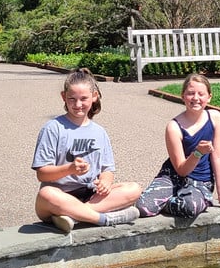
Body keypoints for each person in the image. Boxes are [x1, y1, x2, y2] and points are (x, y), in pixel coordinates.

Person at [32, 68, 141, 233]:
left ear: (94, 96)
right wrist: (70, 169)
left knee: (134, 189)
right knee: (46, 194)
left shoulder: (99, 132)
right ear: (63, 97)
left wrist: (105, 182)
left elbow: (108, 169)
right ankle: (102, 219)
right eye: (72, 99)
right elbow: (42, 174)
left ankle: (74, 215)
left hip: (91, 195)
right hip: (59, 196)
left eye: (83, 99)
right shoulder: (53, 128)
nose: (78, 105)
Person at [135, 74, 220, 218]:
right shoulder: (174, 127)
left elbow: (218, 157)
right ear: (183, 96)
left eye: (201, 94)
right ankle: (162, 199)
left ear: (209, 97)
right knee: (144, 208)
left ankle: (167, 203)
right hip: (173, 176)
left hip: (200, 180)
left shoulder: (215, 117)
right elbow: (182, 170)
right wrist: (197, 153)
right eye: (190, 93)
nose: (196, 98)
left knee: (190, 206)